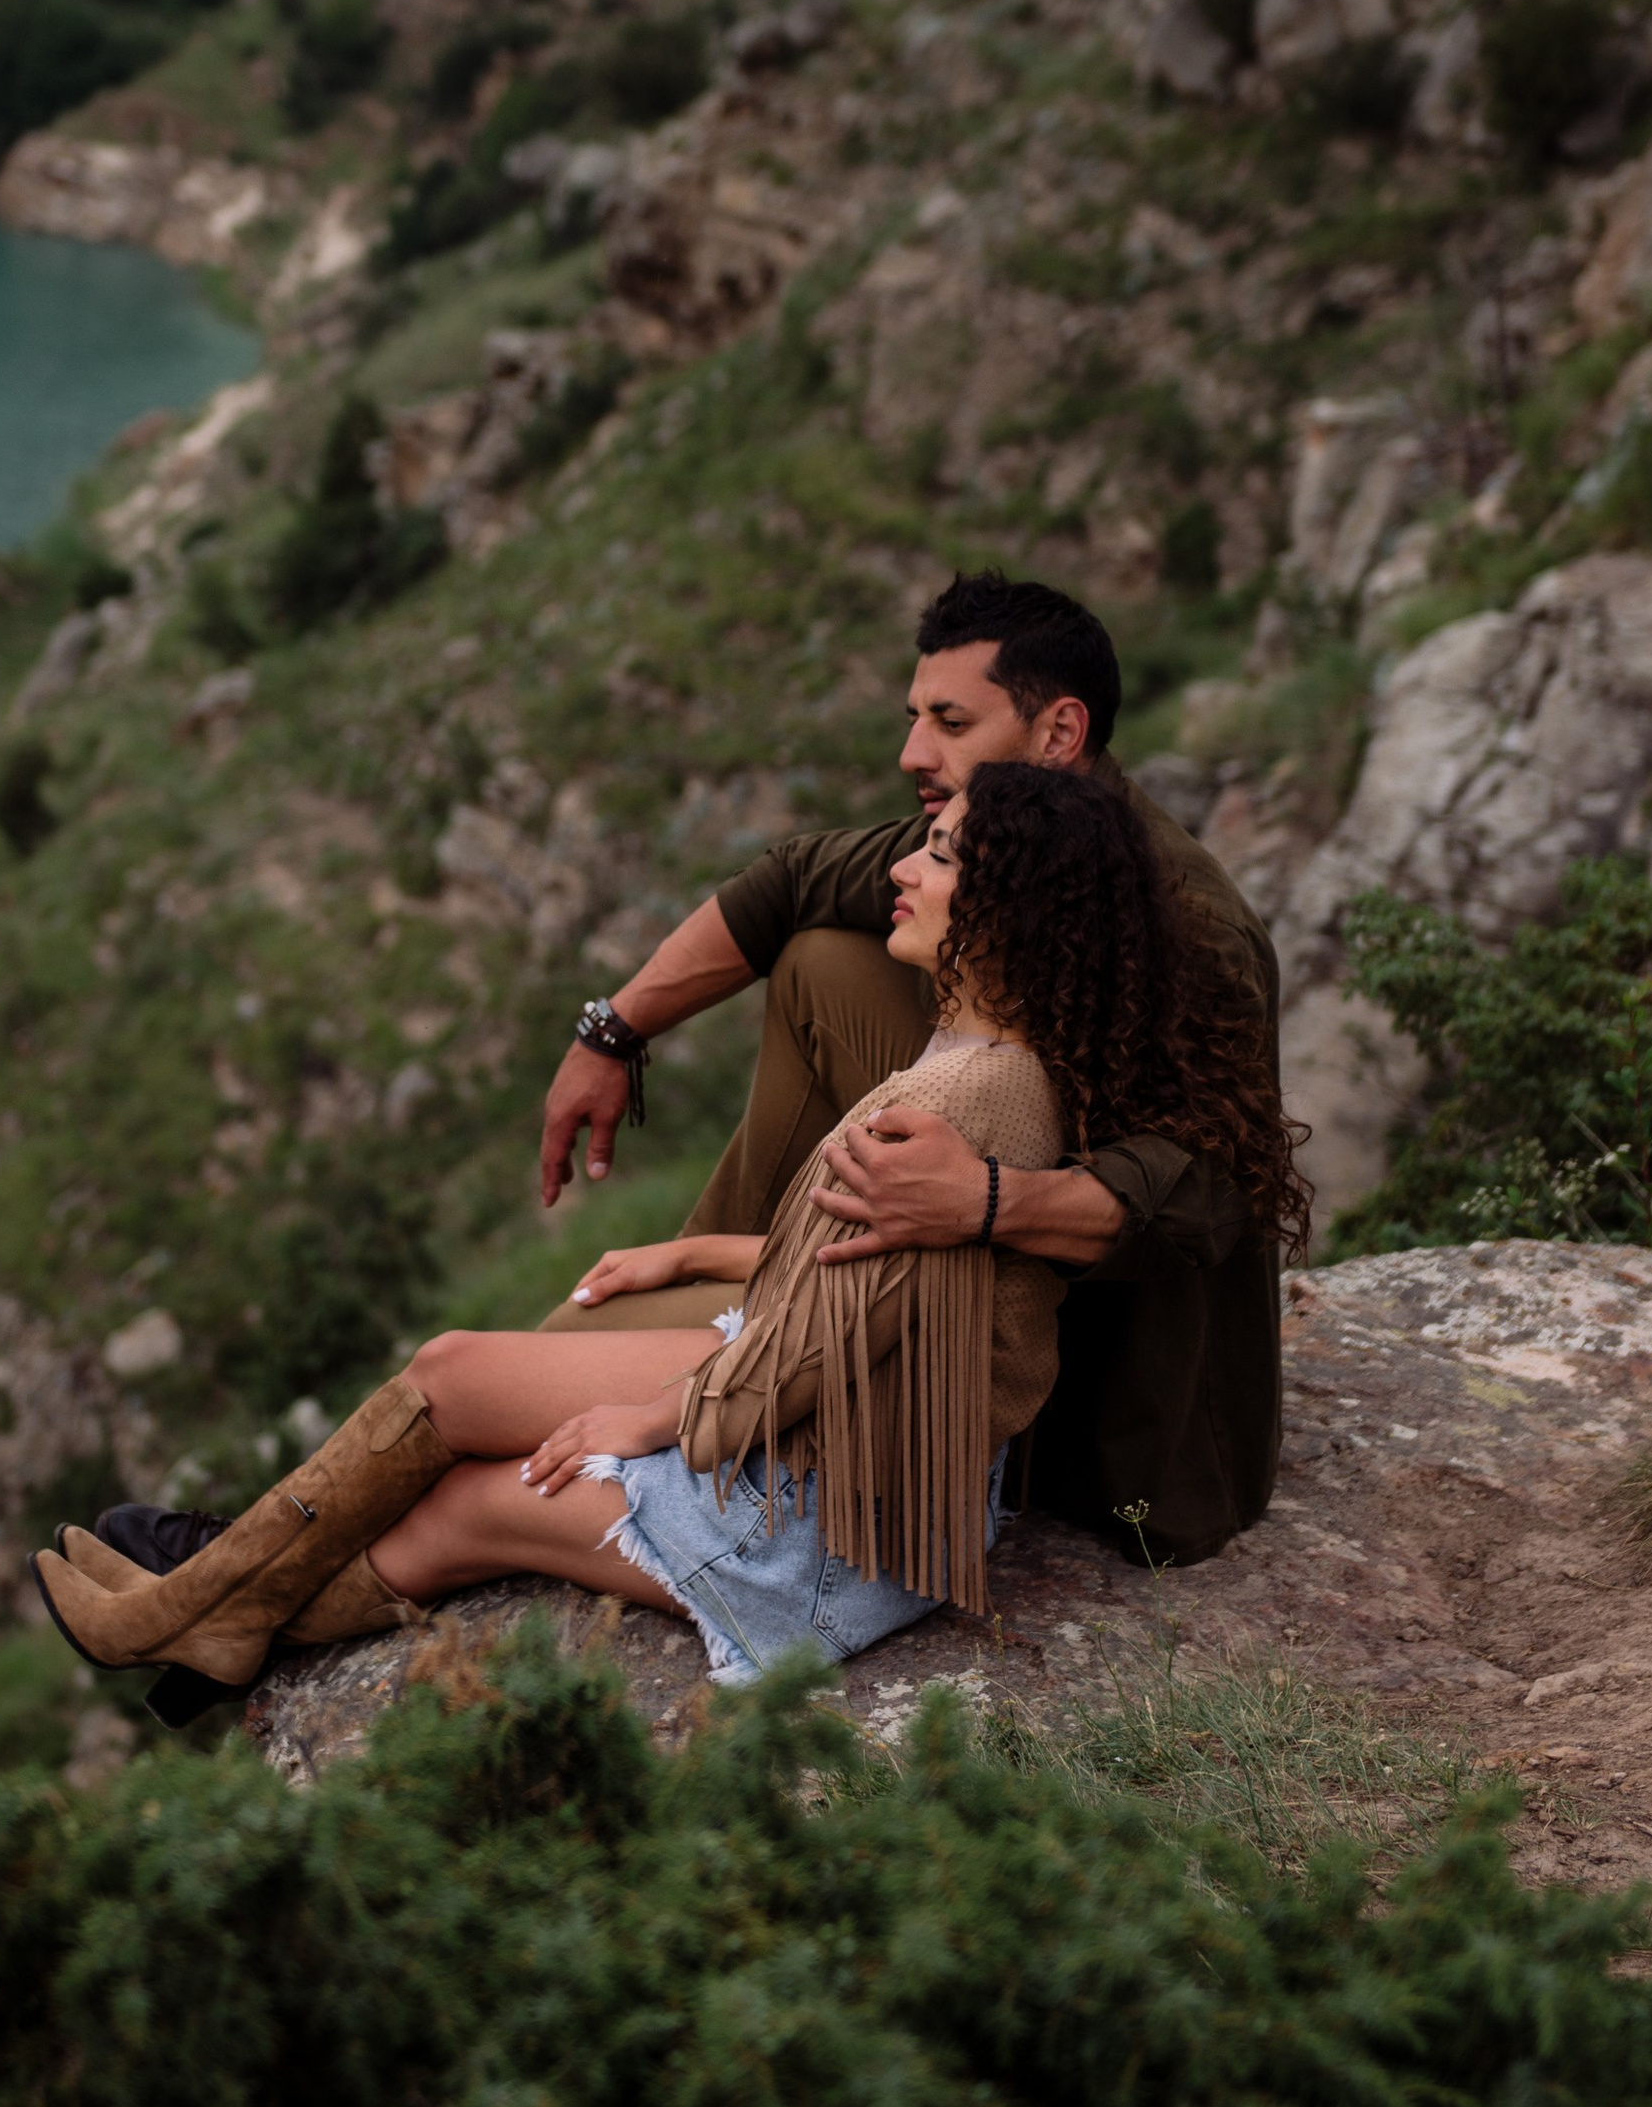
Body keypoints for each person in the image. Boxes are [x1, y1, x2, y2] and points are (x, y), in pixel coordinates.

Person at [24, 766, 1308, 1716]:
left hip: (824, 1538)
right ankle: (209, 1628)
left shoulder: (951, 1101)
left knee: (466, 1463)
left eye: (941, 858)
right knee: (460, 1406)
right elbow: (865, 1271)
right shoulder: (999, 1068)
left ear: (1010, 914)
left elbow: (835, 1328)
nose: (905, 869)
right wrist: (690, 1260)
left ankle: (192, 1617)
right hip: (865, 1481)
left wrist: (666, 1414)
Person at [535, 570, 1289, 1565]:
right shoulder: (985, 837)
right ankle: (736, 1319)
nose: (912, 753)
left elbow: (1209, 1190)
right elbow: (790, 881)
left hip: (1104, 1420)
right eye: (912, 716)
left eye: (948, 719)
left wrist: (981, 1200)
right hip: (951, 1277)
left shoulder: (1189, 919)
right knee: (822, 958)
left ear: (1059, 733)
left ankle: (716, 1366)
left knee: (482, 1389)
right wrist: (610, 1034)